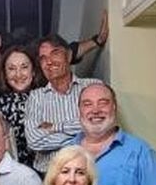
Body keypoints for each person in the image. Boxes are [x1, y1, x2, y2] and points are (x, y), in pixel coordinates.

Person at [23, 34, 100, 172]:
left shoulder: (93, 87)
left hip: (89, 171)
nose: (49, 62)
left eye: (55, 53)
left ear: (69, 56)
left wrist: (55, 127)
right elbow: (34, 140)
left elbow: (97, 125)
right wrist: (81, 136)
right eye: (43, 58)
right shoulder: (36, 97)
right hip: (49, 174)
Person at [0, 45, 39, 164]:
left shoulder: (47, 98)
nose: (18, 74)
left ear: (33, 71)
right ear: (5, 74)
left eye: (24, 67)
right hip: (14, 169)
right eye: (12, 68)